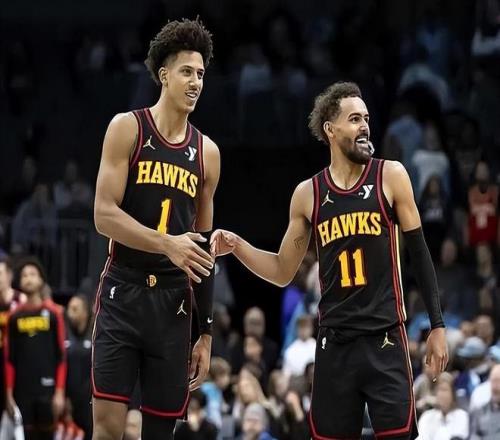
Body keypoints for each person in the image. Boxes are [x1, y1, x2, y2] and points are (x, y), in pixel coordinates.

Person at [211, 81, 448, 439]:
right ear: (330, 130)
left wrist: (437, 325)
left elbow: (420, 253)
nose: (364, 126)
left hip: (385, 337)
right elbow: (282, 270)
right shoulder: (308, 194)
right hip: (335, 343)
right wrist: (239, 246)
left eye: (366, 118)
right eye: (354, 119)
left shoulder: (390, 175)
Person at [92, 18, 220, 440]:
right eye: (186, 72)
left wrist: (206, 333)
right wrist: (166, 244)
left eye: (201, 74)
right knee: (107, 429)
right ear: (164, 75)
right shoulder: (127, 128)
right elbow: (103, 215)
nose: (196, 82)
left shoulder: (207, 153)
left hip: (173, 304)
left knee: (161, 434)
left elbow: (203, 249)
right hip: (123, 290)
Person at [5, 258, 66, 440]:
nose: (28, 278)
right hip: (23, 391)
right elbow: (9, 359)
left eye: (33, 274)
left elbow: (62, 357)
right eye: (24, 275)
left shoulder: (54, 313)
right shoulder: (14, 317)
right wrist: (9, 394)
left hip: (48, 390)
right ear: (19, 282)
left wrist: (60, 392)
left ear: (41, 280)